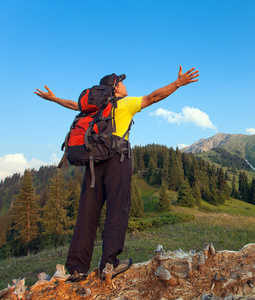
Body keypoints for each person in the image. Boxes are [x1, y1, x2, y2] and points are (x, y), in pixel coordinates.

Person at [35, 65, 199, 282]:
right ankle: (109, 265)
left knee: (87, 214)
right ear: (115, 89)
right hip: (117, 159)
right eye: (120, 82)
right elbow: (153, 97)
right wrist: (178, 83)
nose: (124, 84)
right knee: (117, 210)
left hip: (93, 162)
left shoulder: (93, 109)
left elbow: (73, 105)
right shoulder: (124, 104)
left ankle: (76, 268)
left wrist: (54, 99)